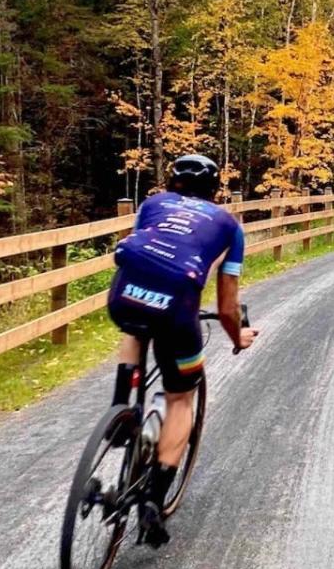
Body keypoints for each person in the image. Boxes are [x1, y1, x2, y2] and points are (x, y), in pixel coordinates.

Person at [107, 154, 258, 547]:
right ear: (215, 190)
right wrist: (237, 337)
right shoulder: (228, 226)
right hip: (176, 310)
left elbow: (145, 255)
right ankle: (154, 500)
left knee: (135, 327)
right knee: (180, 399)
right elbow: (227, 307)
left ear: (171, 182)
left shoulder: (152, 205)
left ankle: (121, 408)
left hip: (124, 298)